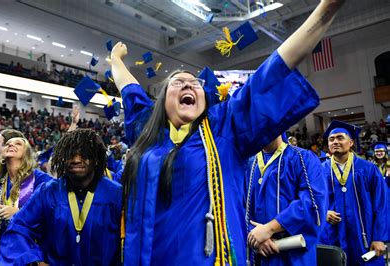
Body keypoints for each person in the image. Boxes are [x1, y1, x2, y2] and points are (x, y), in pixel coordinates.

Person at [110, 0, 345, 264]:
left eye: (195, 83)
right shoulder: (146, 129)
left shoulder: (224, 130)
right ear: (163, 99)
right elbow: (128, 87)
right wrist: (116, 60)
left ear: (203, 99)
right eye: (178, 82)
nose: (188, 85)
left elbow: (274, 69)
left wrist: (327, 9)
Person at [0, 129, 122, 265]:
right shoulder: (48, 192)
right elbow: (18, 229)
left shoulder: (115, 194)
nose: (76, 159)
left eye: (83, 154)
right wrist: (34, 260)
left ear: (96, 159)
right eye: (70, 154)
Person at [246, 134, 327, 265]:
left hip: (293, 255)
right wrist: (254, 236)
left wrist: (269, 229)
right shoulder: (249, 164)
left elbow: (312, 204)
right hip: (258, 254)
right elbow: (239, 207)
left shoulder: (303, 158)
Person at [0, 137, 52, 265]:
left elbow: (52, 215)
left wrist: (19, 213)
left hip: (25, 256)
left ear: (27, 152)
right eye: (8, 143)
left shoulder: (42, 180)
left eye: (18, 143)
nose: (11, 145)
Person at [319, 120, 387, 266]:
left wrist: (379, 237)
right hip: (331, 235)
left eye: (340, 138)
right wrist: (323, 212)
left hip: (365, 236)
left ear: (351, 142)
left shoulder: (368, 169)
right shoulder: (319, 170)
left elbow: (382, 204)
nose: (335, 142)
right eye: (331, 139)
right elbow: (309, 200)